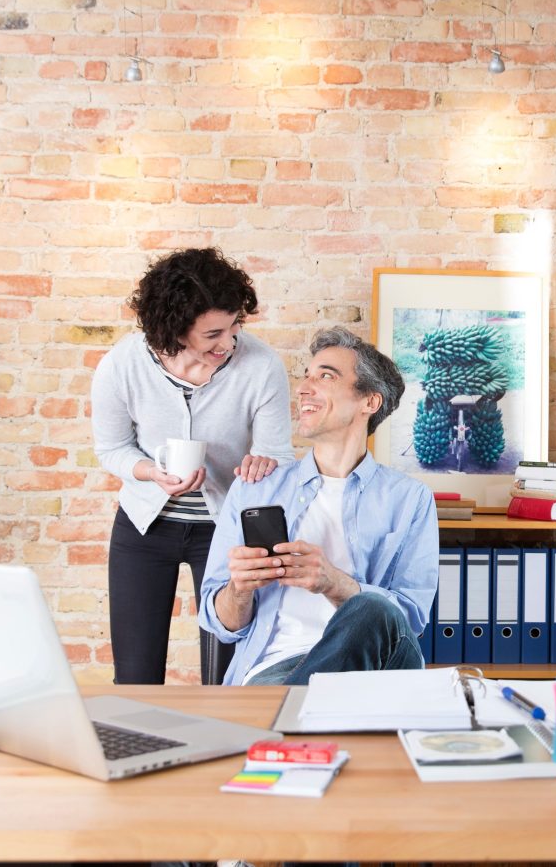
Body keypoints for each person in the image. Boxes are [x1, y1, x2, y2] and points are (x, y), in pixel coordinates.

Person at [91, 247, 295, 685]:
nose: (230, 342)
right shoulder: (122, 366)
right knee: (135, 673)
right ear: (176, 329)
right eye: (213, 334)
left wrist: (264, 463)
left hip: (227, 531)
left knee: (227, 672)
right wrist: (151, 473)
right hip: (144, 528)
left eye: (235, 325)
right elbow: (112, 449)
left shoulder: (260, 367)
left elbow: (279, 454)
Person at [198, 327, 438, 686]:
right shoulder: (256, 489)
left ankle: (294, 716)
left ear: (369, 402)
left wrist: (334, 583)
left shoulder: (409, 498)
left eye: (325, 376)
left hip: (377, 670)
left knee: (372, 608)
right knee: (306, 690)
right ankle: (306, 705)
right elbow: (220, 624)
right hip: (277, 670)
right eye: (306, 376)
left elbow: (408, 619)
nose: (303, 388)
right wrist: (241, 588)